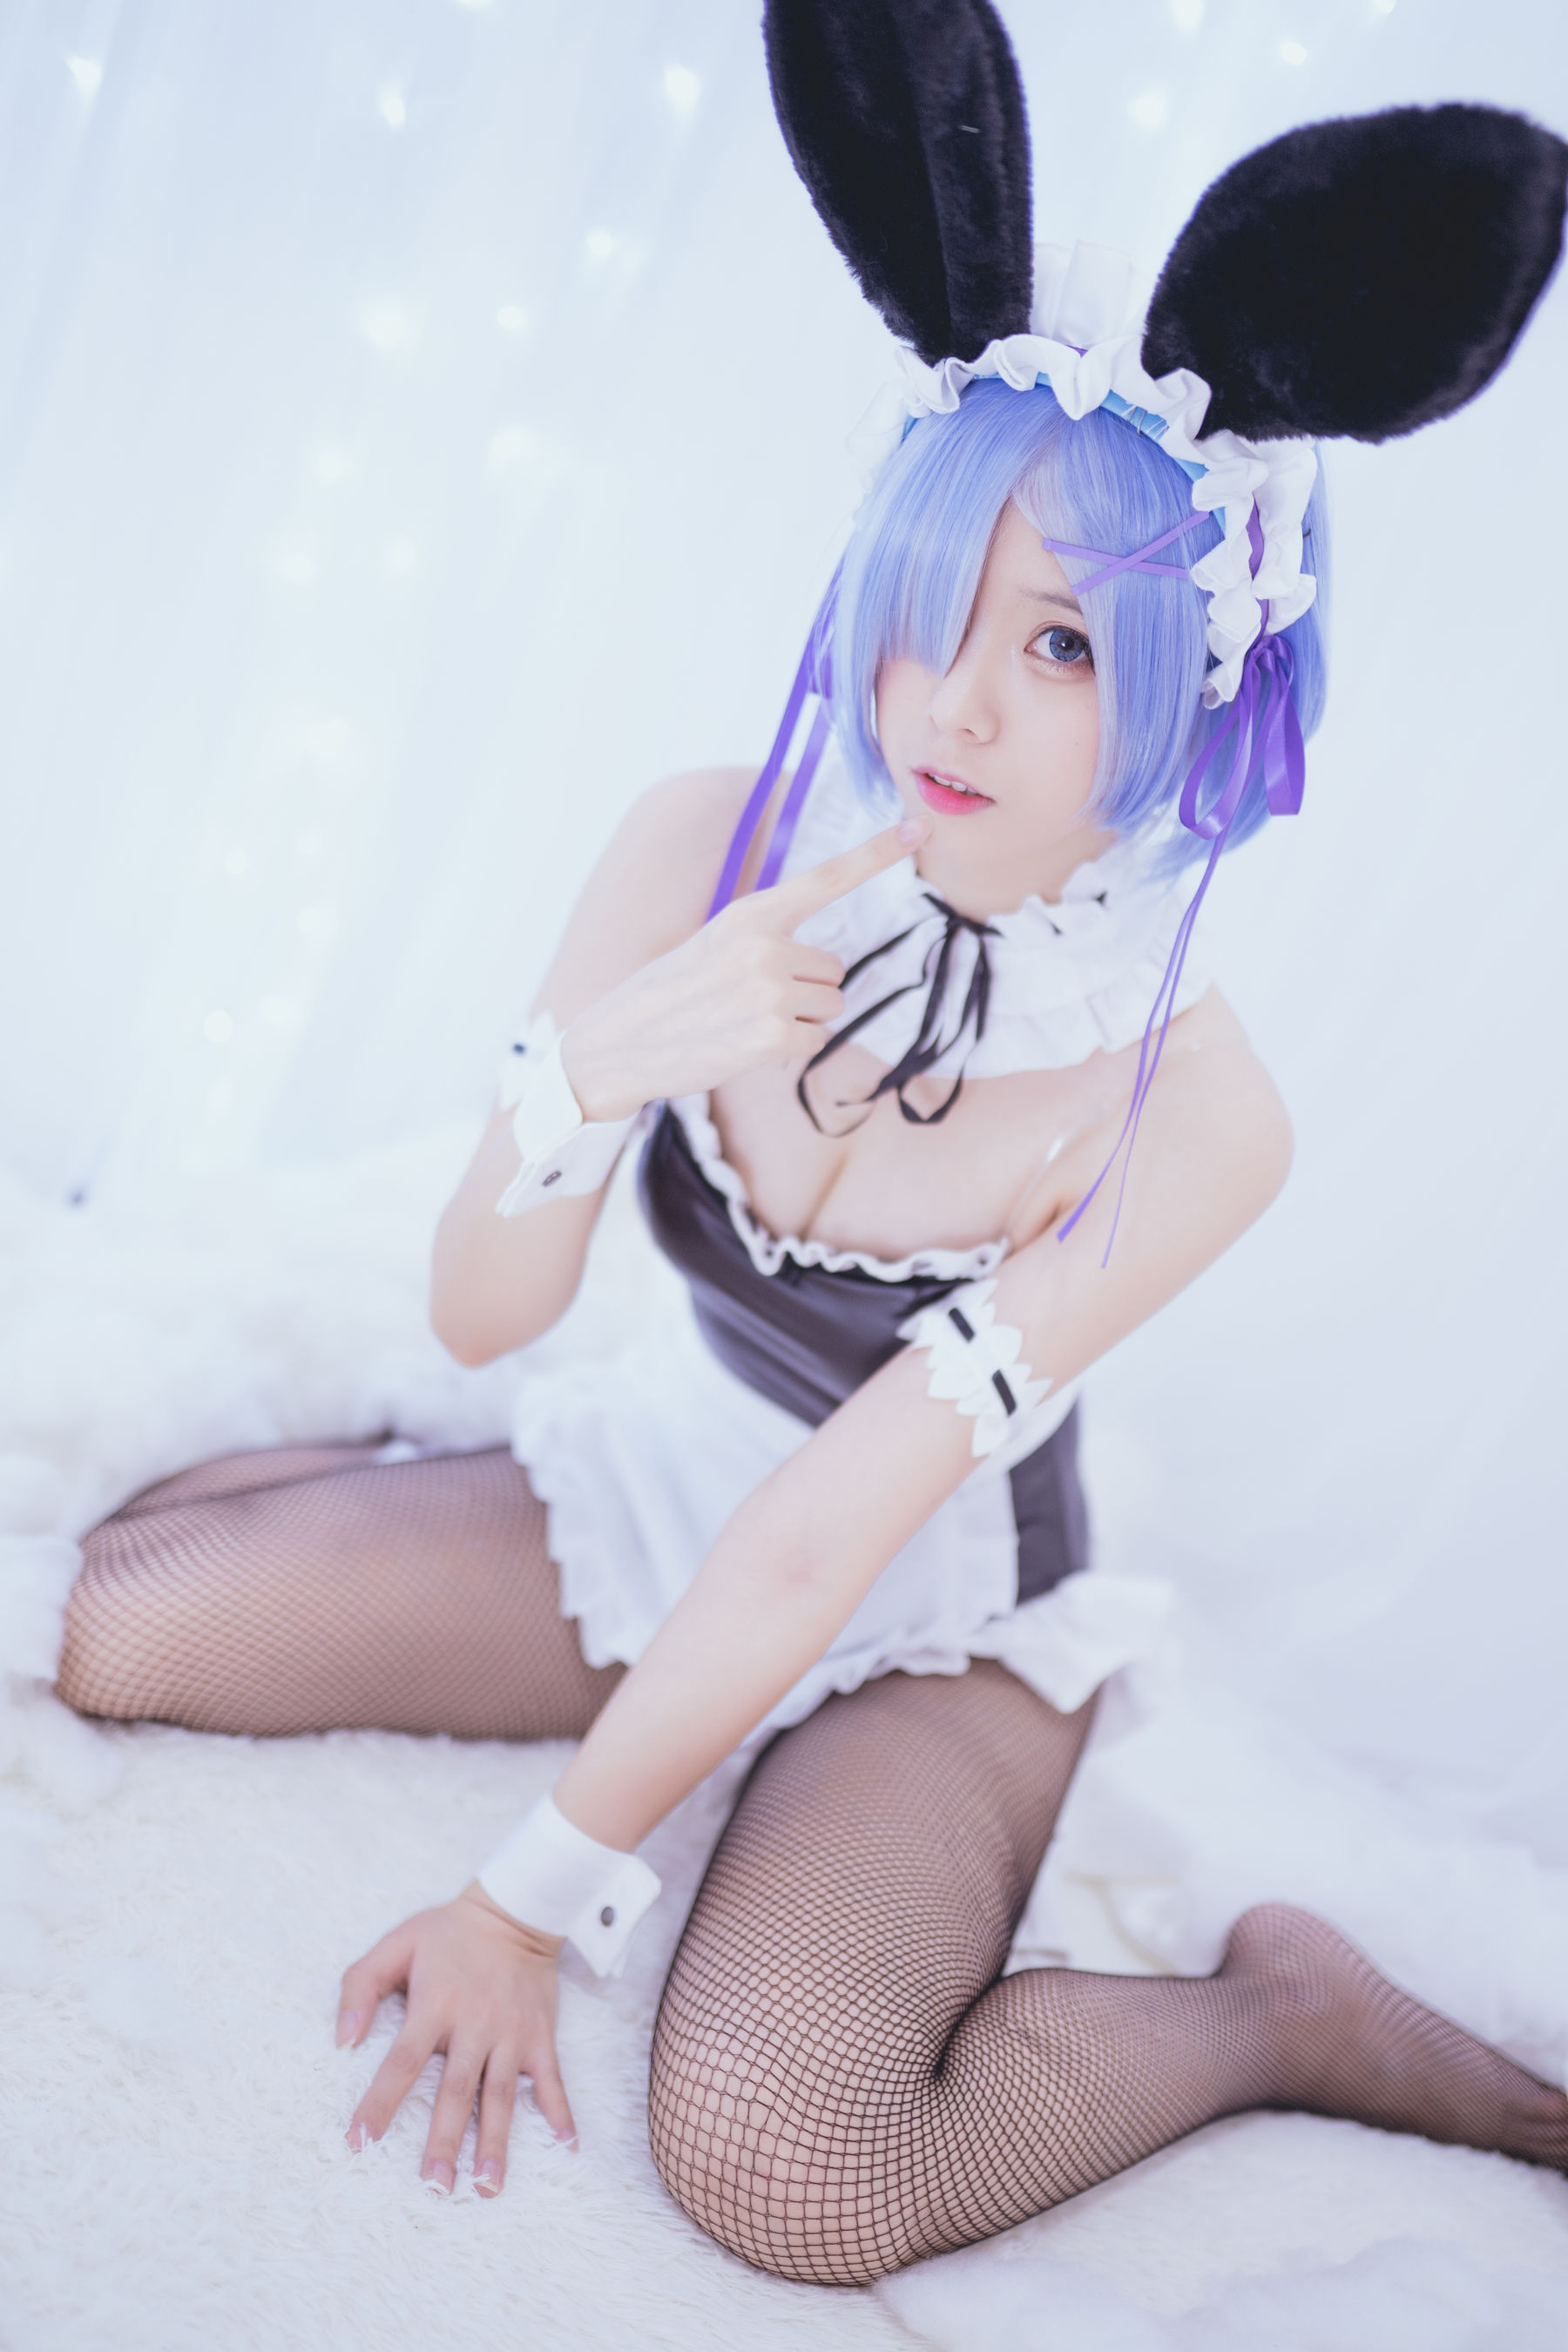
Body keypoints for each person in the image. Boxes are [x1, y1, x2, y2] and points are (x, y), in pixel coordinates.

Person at [55, 0, 1568, 2290]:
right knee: (110, 1630)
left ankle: (1274, 2010)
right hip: (668, 1473)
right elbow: (486, 1315)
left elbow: (832, 1528)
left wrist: (527, 1892)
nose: (953, 699)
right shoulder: (708, 843)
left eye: (1062, 647)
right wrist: (593, 1072)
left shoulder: (1193, 1100)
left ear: (1196, 677)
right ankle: (411, 1533)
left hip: (929, 1608)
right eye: (932, 606)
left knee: (790, 2167)